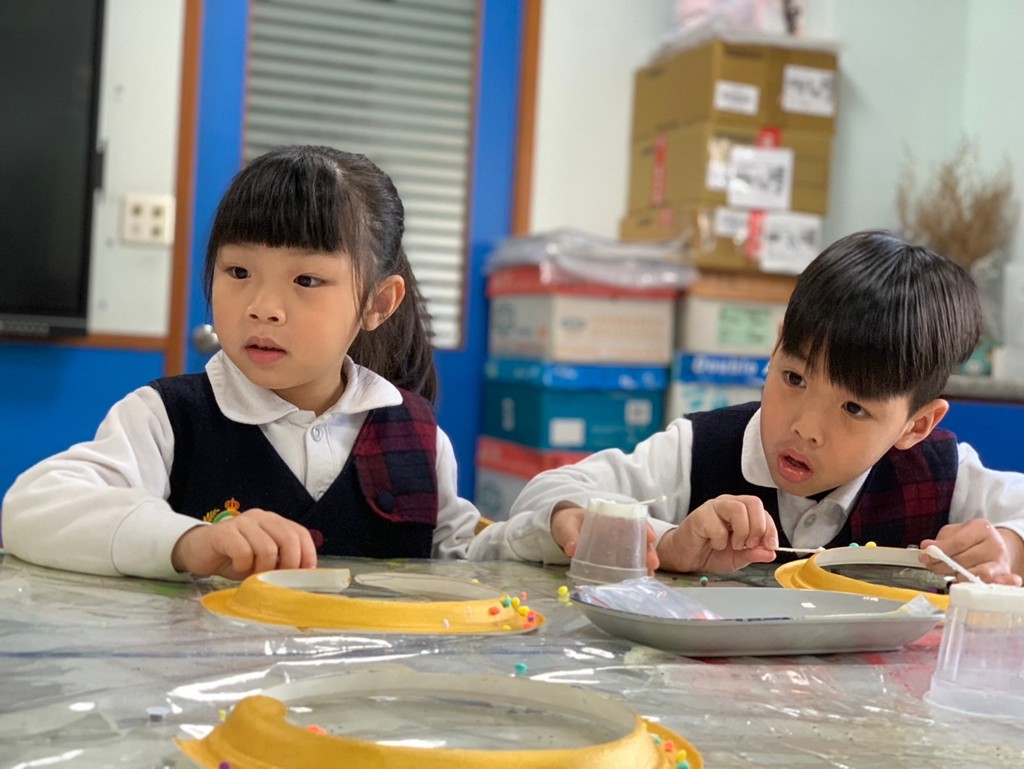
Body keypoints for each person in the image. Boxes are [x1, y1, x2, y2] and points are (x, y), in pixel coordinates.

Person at [1, 145, 498, 580]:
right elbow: (32, 508)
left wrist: (535, 531)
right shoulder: (165, 418)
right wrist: (188, 542)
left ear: (377, 304)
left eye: (306, 280)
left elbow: (461, 558)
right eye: (238, 271)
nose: (263, 307)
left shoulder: (418, 436)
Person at [499, 230, 1024, 585]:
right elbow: (549, 493)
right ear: (775, 347)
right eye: (794, 378)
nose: (806, 427)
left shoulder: (940, 473)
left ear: (917, 424)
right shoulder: (698, 450)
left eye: (853, 409)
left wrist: (1008, 546)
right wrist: (669, 543)